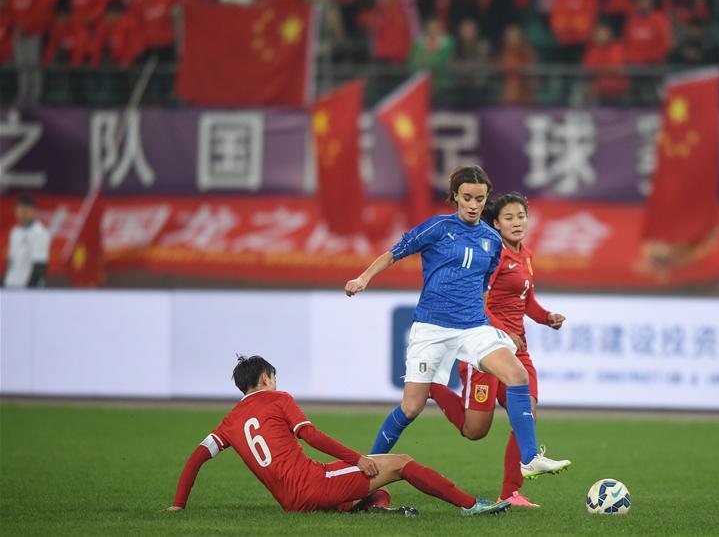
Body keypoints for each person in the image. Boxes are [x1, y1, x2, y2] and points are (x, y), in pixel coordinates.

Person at [345, 165, 570, 479]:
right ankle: (369, 467)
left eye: (479, 198)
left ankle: (529, 458)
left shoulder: (492, 241)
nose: (474, 204)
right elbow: (394, 253)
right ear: (455, 197)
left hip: (473, 328)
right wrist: (363, 277)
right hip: (431, 328)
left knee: (517, 374)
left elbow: (482, 289)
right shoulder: (437, 228)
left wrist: (493, 323)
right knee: (411, 407)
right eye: (467, 197)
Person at [168, 355, 510, 516]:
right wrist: (356, 458)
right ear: (268, 378)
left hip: (290, 501)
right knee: (400, 463)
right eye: (274, 377)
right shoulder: (279, 398)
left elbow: (197, 457)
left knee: (372, 478)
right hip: (313, 485)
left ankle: (368, 509)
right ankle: (471, 506)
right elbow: (311, 435)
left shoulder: (230, 421)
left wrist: (178, 504)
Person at [429, 192, 566, 508]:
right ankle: (431, 387)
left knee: (526, 412)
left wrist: (546, 318)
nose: (517, 222)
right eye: (509, 217)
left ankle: (511, 493)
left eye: (521, 216)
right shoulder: (491, 255)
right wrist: (501, 331)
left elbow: (527, 300)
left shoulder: (526, 254)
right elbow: (477, 300)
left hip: (518, 350)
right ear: (495, 223)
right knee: (475, 430)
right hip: (486, 349)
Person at [3, 194, 50, 288]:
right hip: (11, 285)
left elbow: (39, 265)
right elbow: (11, 261)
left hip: (27, 288)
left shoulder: (39, 233)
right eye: (20, 210)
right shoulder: (14, 232)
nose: (22, 214)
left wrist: (29, 290)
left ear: (33, 211)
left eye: (26, 210)